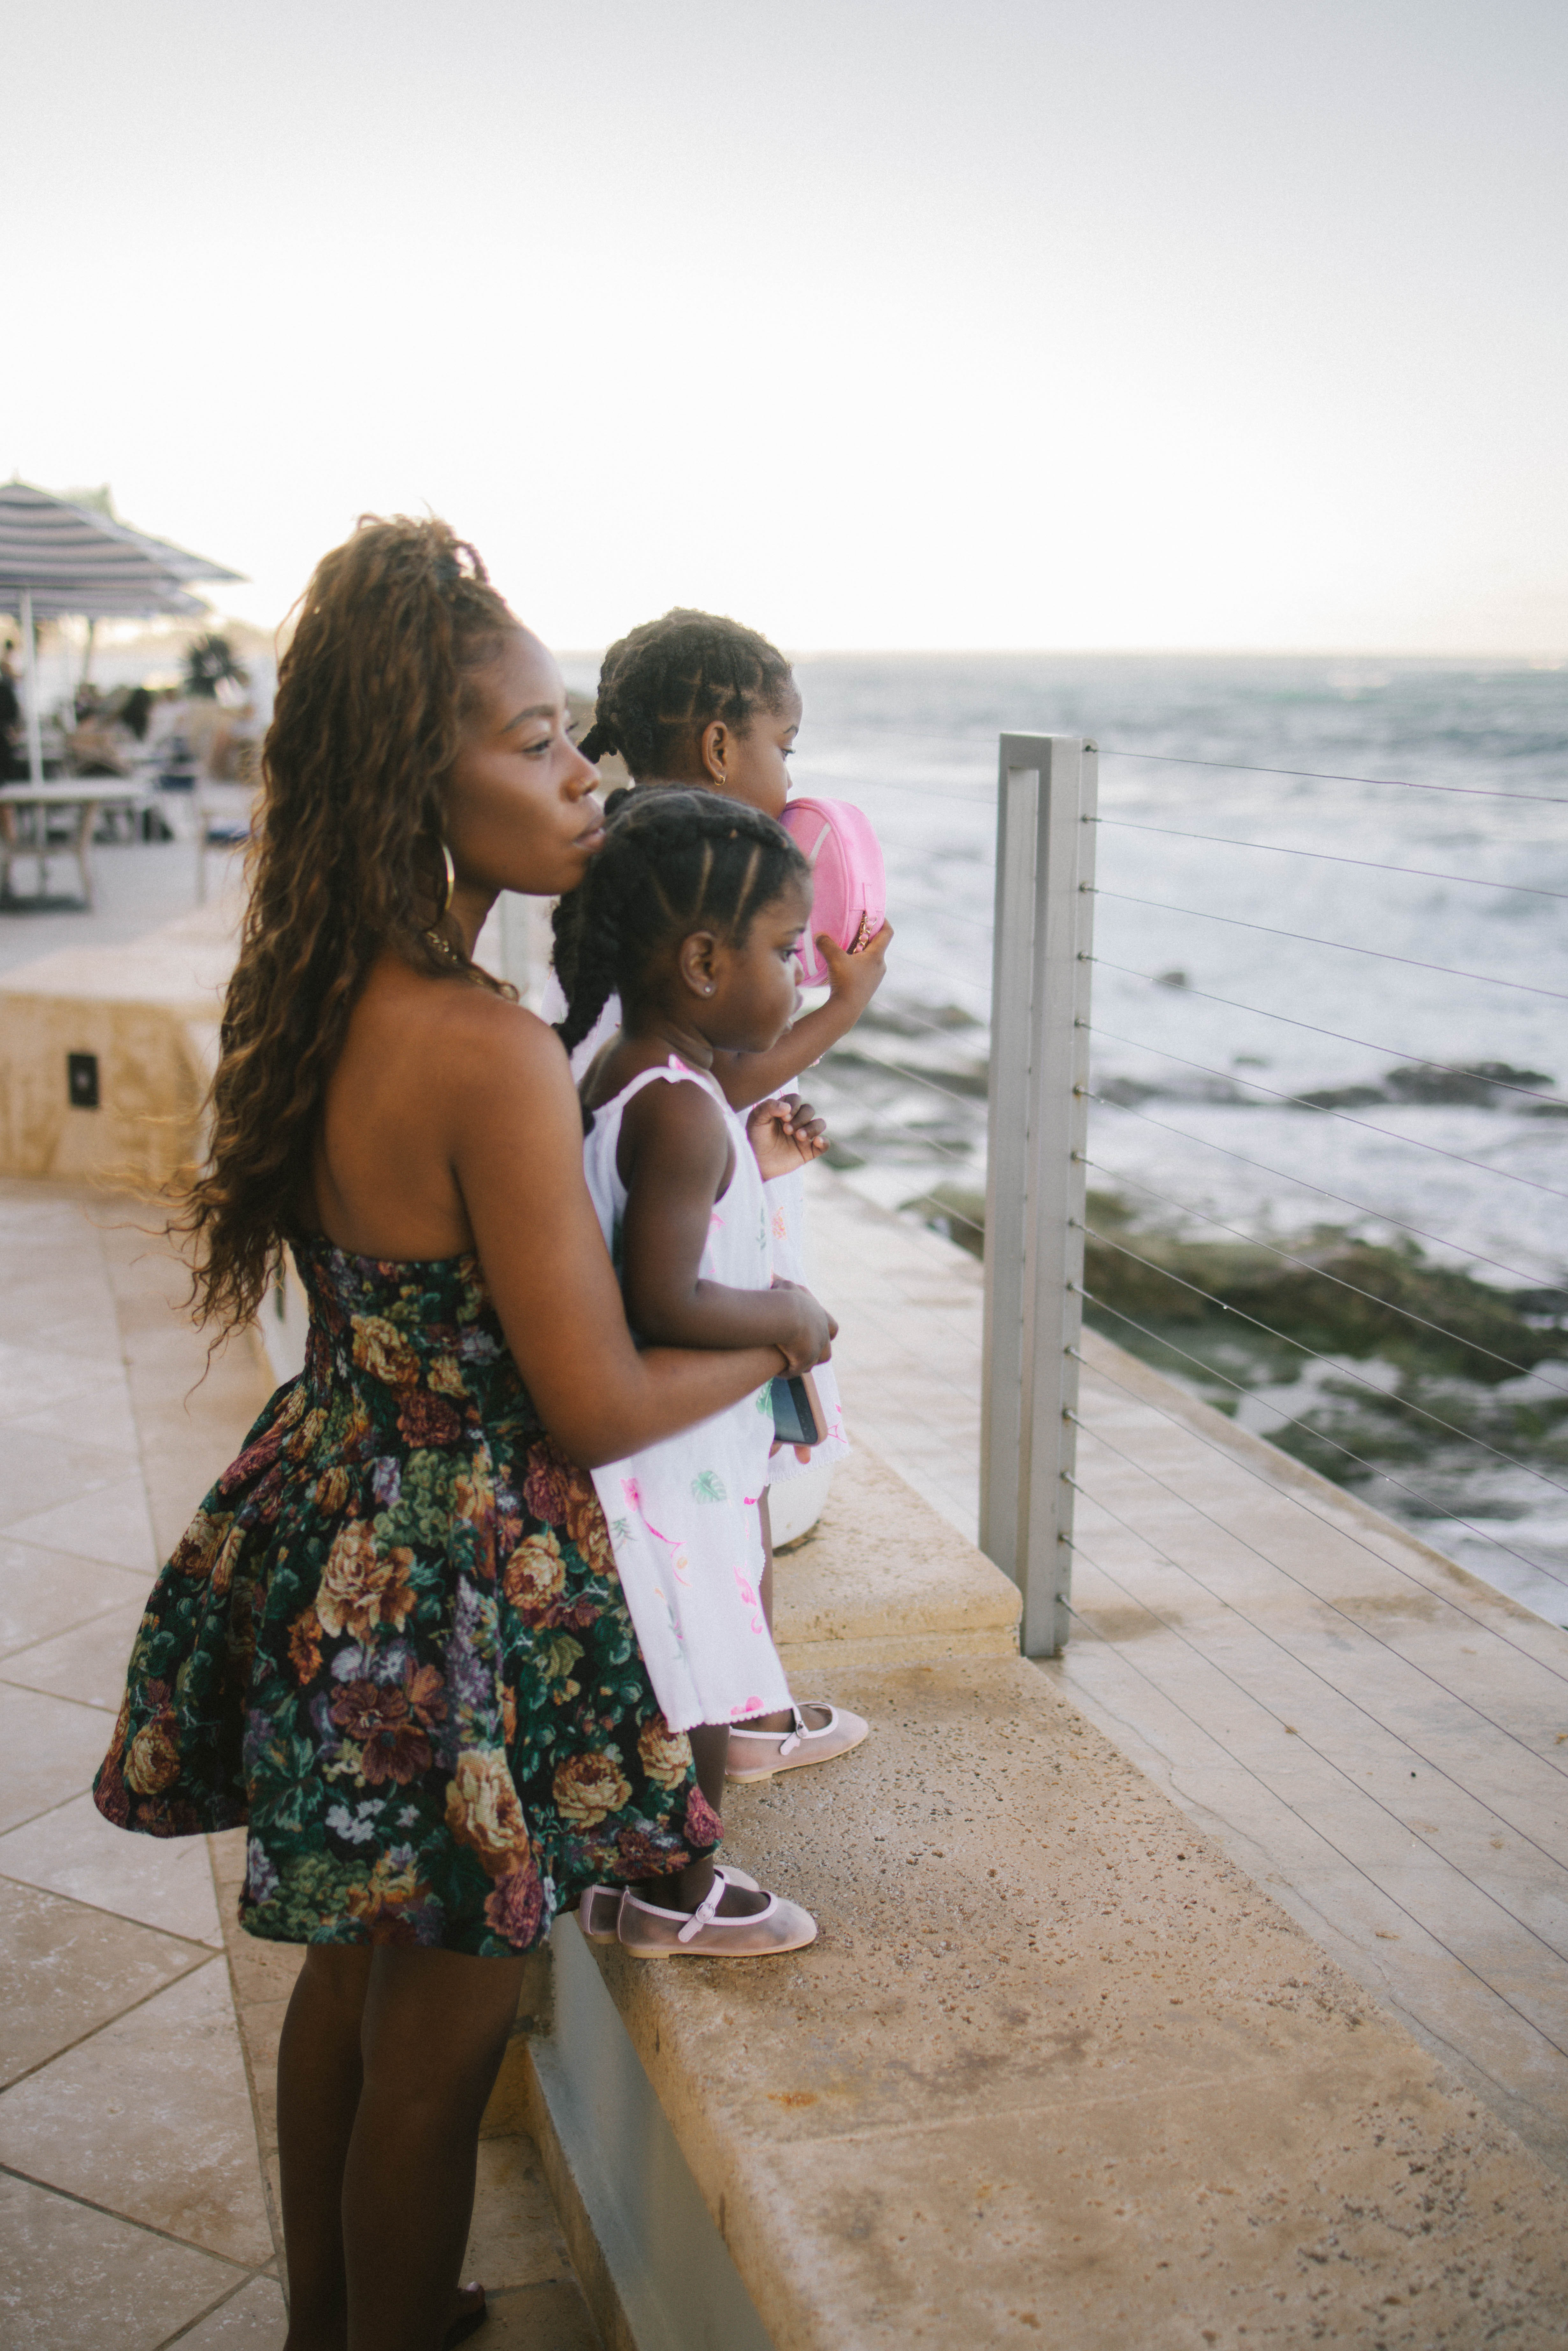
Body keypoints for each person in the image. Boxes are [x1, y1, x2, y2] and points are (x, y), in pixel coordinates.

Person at [91, 518, 834, 2351]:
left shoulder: (327, 987)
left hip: (342, 1522)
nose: (583, 774)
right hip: (450, 1589)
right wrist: (777, 1340)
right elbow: (591, 1402)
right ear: (412, 778)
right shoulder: (485, 1047)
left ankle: (338, 2323)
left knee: (350, 1995)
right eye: (535, 740)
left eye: (573, 732)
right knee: (439, 2049)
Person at [547, 608, 892, 1777]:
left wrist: (757, 1161)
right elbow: (711, 1088)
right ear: (716, 744)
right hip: (681, 1385)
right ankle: (721, 1769)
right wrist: (843, 1006)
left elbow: (700, 1094)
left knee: (729, 1534)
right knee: (711, 1556)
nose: (789, 775)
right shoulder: (689, 892)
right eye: (782, 746)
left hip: (699, 1297)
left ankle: (742, 1722)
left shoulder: (639, 871)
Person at [555, 789, 862, 1954]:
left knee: (667, 1665)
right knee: (698, 1666)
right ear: (700, 961)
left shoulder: (635, 1072)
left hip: (667, 1449)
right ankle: (679, 1892)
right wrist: (787, 1316)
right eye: (783, 951)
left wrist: (755, 1167)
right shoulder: (679, 1108)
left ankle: (630, 1879)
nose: (795, 974)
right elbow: (663, 1296)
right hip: (674, 1455)